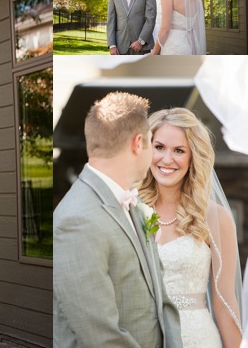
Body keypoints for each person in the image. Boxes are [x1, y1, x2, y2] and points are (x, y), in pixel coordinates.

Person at [54, 92, 182, 347]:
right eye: (151, 142)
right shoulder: (77, 220)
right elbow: (101, 336)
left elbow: (162, 303)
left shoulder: (137, 206)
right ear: (137, 144)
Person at [139, 108, 242, 347]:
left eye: (178, 151)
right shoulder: (129, 210)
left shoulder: (216, 218)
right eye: (159, 147)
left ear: (192, 156)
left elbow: (225, 302)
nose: (167, 159)